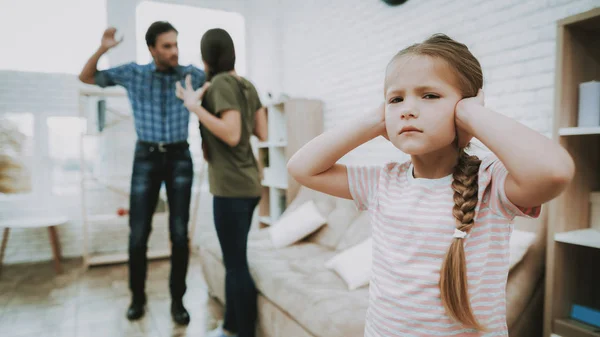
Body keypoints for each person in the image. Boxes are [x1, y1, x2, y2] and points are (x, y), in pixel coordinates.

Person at [287, 34, 575, 336]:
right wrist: (377, 118)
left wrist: (471, 114)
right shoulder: (381, 181)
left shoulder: (492, 183)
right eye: (396, 99)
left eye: (430, 96)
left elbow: (554, 172)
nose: (407, 109)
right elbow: (302, 168)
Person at [78, 21, 206, 325]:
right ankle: (137, 298)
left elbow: (220, 78)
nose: (174, 51)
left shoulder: (191, 74)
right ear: (152, 49)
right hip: (145, 157)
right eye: (166, 46)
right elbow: (86, 77)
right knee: (138, 235)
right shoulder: (134, 73)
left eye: (176, 44)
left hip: (179, 156)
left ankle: (178, 301)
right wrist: (104, 48)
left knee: (178, 233)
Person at [176, 28, 267, 337]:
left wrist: (195, 107)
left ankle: (243, 332)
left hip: (231, 188)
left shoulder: (222, 85)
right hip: (249, 184)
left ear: (207, 56)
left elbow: (232, 133)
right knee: (235, 261)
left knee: (236, 263)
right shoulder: (245, 85)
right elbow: (262, 133)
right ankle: (231, 326)